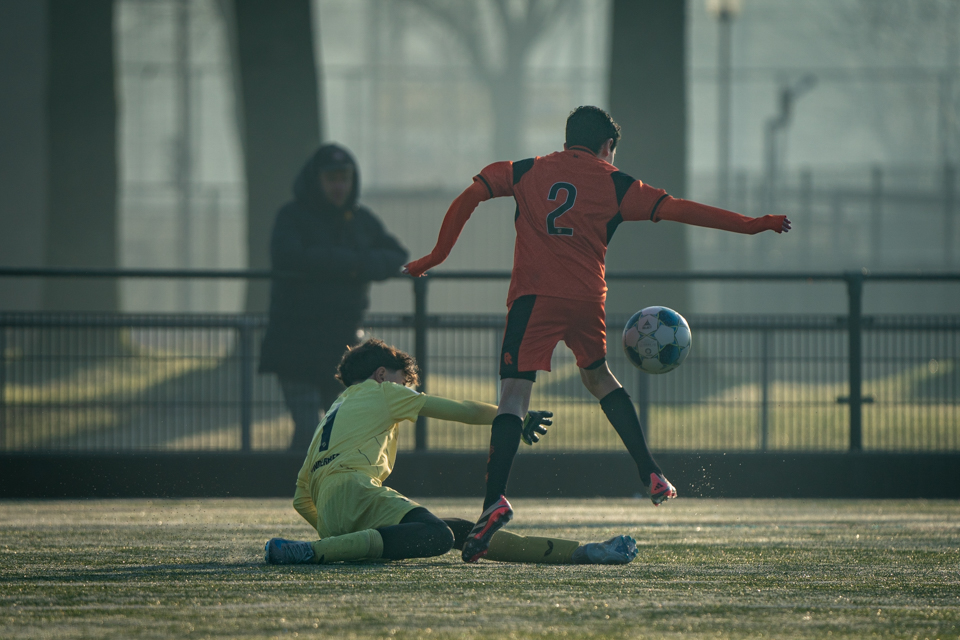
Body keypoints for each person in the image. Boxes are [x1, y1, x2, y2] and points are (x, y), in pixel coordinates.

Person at [404, 105, 792, 563]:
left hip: (534, 299)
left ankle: (494, 503)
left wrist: (435, 256)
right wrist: (751, 225)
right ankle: (650, 472)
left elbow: (470, 196)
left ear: (569, 138)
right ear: (607, 146)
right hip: (588, 300)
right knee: (599, 377)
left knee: (513, 398)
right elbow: (683, 210)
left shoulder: (526, 170)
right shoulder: (617, 184)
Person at [264, 338, 638, 566]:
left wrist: (337, 531)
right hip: (357, 493)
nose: (405, 390)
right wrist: (512, 415)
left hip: (332, 509)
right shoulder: (382, 392)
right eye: (402, 381)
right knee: (437, 537)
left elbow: (301, 497)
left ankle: (582, 552)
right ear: (381, 375)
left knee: (462, 531)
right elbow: (462, 410)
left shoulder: (331, 414)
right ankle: (316, 552)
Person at [259, 144, 408, 451]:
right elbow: (288, 256)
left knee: (336, 428)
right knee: (310, 429)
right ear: (317, 180)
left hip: (339, 346)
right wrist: (354, 264)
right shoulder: (293, 216)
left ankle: (313, 491)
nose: (339, 186)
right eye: (332, 179)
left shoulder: (359, 220)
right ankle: (307, 492)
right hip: (296, 341)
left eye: (344, 178)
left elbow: (396, 254)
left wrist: (344, 264)